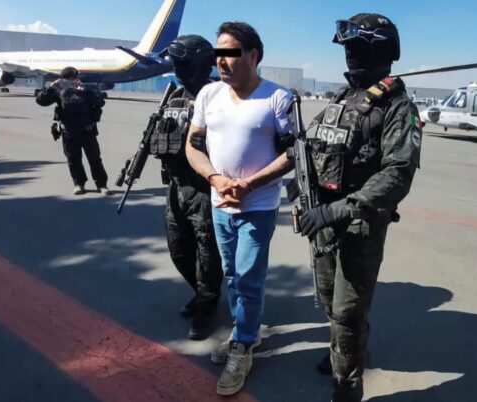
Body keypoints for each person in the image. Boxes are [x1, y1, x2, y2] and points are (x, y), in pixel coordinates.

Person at [227, 13, 421, 402]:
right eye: (347, 49)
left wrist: (331, 213)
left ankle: (347, 386)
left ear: (380, 52)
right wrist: (268, 184)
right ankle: (344, 351)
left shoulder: (397, 106)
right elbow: (304, 149)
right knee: (331, 301)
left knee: (349, 310)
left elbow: (397, 175)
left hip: (358, 225)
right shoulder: (342, 99)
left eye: (356, 48)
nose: (349, 56)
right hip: (323, 219)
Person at [184, 22, 292, 396]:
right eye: (218, 53)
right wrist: (215, 179)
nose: (221, 60)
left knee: (248, 277)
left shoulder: (278, 98)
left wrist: (249, 185)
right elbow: (193, 144)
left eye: (230, 53)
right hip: (220, 203)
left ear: (253, 56)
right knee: (231, 273)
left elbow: (293, 153)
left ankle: (243, 345)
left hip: (257, 205)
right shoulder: (209, 94)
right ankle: (245, 331)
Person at [150, 35, 222, 340]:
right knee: (179, 249)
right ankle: (202, 292)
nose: (179, 70)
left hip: (203, 189)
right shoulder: (174, 96)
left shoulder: (218, 98)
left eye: (185, 64)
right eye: (176, 64)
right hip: (176, 186)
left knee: (207, 253)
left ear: (203, 64)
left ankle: (207, 305)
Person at [36, 66, 108, 195]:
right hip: (68, 131)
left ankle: (102, 185)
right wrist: (51, 87)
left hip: (87, 130)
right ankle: (79, 184)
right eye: (67, 79)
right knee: (73, 159)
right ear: (62, 79)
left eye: (73, 78)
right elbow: (41, 101)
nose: (71, 81)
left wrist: (86, 90)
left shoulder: (85, 90)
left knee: (95, 159)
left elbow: (100, 103)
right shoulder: (59, 91)